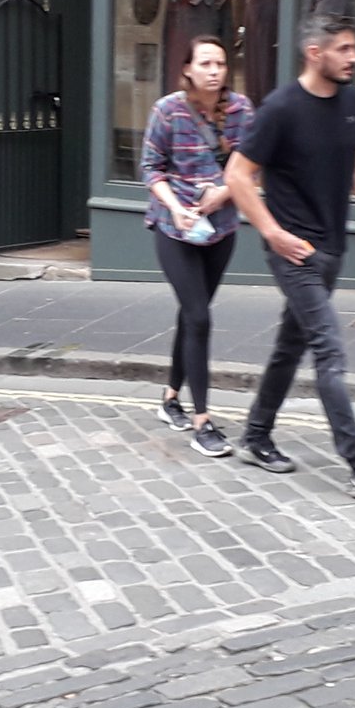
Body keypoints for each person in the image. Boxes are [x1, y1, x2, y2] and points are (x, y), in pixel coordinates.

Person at [224, 14, 355, 500]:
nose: (354, 58)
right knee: (329, 348)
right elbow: (237, 175)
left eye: (354, 48)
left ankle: (256, 436)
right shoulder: (280, 109)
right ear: (314, 52)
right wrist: (272, 233)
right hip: (295, 252)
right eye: (344, 49)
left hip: (332, 247)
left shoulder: (352, 102)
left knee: (291, 344)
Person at [140, 35, 254, 457]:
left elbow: (252, 167)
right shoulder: (167, 110)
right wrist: (176, 208)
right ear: (187, 69)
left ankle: (170, 398)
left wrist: (222, 194)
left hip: (220, 229)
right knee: (199, 316)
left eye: (220, 64)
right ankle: (202, 422)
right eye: (205, 63)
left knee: (193, 315)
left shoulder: (241, 110)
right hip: (175, 229)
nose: (214, 71)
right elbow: (151, 169)